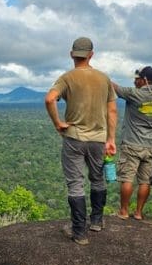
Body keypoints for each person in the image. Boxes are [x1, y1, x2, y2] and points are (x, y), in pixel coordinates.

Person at [45, 36, 117, 244]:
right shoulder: (104, 78)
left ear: (72, 55)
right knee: (97, 179)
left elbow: (50, 99)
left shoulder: (67, 78)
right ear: (91, 54)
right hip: (98, 139)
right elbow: (111, 110)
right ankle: (96, 221)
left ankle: (79, 232)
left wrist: (58, 123)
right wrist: (110, 138)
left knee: (76, 184)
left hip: (74, 138)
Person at [112, 66, 152, 221]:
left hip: (131, 145)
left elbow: (114, 87)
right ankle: (138, 213)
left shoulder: (134, 94)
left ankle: (123, 211)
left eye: (137, 79)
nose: (135, 81)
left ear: (144, 80)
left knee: (127, 178)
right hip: (150, 146)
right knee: (145, 181)